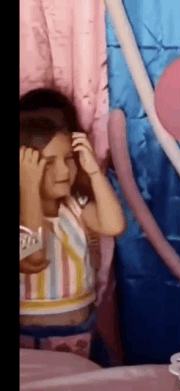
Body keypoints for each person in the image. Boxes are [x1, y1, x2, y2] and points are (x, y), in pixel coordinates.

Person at [19, 88, 126, 363]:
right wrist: (28, 188)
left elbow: (114, 226)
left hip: (83, 330)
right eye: (50, 163)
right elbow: (33, 259)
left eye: (69, 159)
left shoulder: (75, 207)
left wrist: (92, 170)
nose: (65, 171)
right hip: (33, 339)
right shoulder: (23, 217)